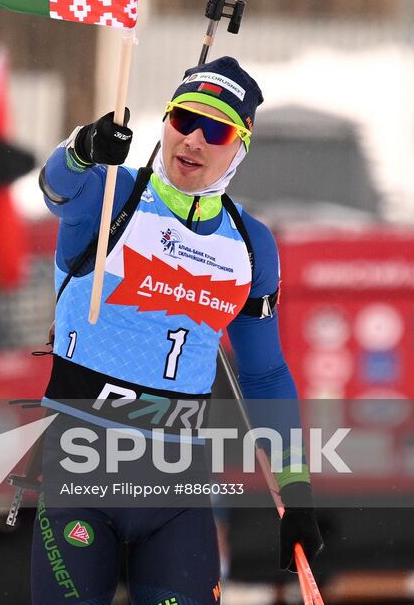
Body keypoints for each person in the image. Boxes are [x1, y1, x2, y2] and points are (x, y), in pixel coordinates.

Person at [30, 57, 323, 605]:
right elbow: (53, 187)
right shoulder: (112, 196)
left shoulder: (250, 245)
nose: (193, 139)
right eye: (182, 119)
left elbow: (265, 374)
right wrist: (84, 147)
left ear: (240, 147)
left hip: (177, 492)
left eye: (216, 130)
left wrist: (296, 488)